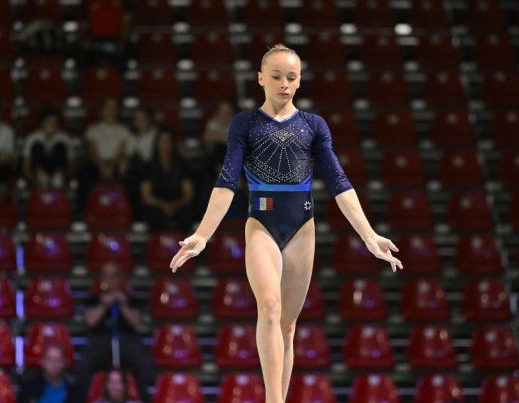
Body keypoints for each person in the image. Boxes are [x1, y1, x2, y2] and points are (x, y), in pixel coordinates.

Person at [169, 44, 404, 403]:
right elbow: (227, 180)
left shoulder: (313, 125)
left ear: (299, 81)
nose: (283, 84)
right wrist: (203, 234)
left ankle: (280, 397)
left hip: (301, 227)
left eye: (291, 77)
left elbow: (339, 182)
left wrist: (369, 235)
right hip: (261, 223)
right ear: (261, 78)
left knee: (288, 326)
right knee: (269, 304)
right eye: (276, 76)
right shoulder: (245, 124)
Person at [71, 262, 153, 402]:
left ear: (121, 278)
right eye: (107, 275)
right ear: (102, 278)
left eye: (114, 275)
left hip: (127, 338)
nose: (111, 279)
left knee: (145, 364)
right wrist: (104, 304)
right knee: (82, 367)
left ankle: (143, 399)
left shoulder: (131, 299)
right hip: (100, 339)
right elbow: (90, 322)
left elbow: (136, 322)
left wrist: (122, 303)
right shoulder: (93, 299)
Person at [78, 97, 132, 210]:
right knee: (83, 175)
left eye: (113, 108)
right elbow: (92, 151)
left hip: (115, 164)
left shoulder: (124, 130)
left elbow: (121, 151)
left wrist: (112, 166)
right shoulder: (92, 129)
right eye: (107, 107)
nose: (110, 110)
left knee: (132, 175)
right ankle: (82, 211)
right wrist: (102, 166)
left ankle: (132, 213)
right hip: (97, 164)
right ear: (101, 111)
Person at [138, 128, 195, 231]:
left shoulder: (183, 166)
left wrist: (174, 205)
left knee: (187, 214)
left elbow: (188, 194)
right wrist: (163, 206)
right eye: (162, 141)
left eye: (168, 141)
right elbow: (146, 195)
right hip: (156, 204)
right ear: (157, 144)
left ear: (173, 144)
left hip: (178, 203)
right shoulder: (148, 166)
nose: (165, 145)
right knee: (152, 215)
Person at [23, 108, 73, 189]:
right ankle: (41, 176)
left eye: (55, 122)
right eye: (49, 121)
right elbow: (26, 165)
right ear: (42, 123)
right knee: (37, 146)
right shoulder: (32, 138)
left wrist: (65, 177)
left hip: (57, 171)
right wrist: (33, 179)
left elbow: (71, 163)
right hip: (39, 172)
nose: (52, 124)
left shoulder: (64, 138)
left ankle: (58, 176)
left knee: (60, 146)